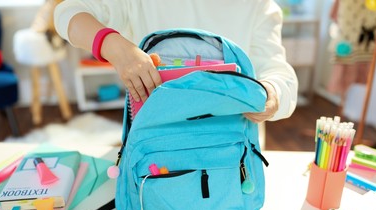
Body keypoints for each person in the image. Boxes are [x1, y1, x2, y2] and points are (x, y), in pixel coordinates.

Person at [54, 0, 298, 124]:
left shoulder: (258, 6)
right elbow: (68, 13)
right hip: (157, 142)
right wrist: (117, 48)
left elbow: (278, 72)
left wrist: (270, 93)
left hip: (231, 151)